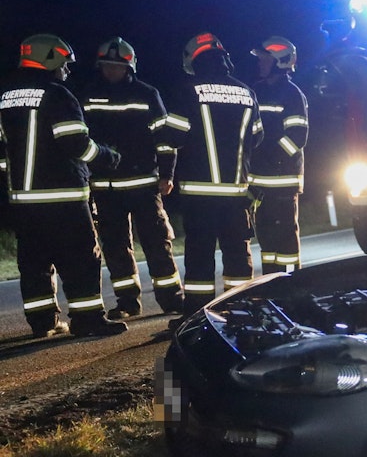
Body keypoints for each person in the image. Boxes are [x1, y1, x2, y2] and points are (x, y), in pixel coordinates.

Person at [0, 34, 127, 337]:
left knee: (34, 263)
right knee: (82, 257)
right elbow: (75, 143)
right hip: (63, 198)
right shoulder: (57, 95)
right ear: (50, 60)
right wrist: (107, 156)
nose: (67, 71)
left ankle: (43, 322)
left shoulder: (5, 96)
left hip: (22, 200)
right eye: (65, 64)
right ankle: (88, 320)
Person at [79, 37, 185, 318]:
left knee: (157, 243)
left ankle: (172, 298)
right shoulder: (88, 95)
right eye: (106, 66)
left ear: (129, 67)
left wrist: (167, 174)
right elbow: (81, 140)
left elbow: (164, 139)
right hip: (105, 186)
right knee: (115, 247)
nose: (111, 71)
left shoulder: (147, 93)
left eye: (117, 66)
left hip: (144, 184)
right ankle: (127, 302)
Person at [167, 32, 262, 320]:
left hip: (199, 195)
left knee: (199, 257)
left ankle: (198, 316)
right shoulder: (246, 92)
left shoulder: (187, 91)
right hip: (236, 193)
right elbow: (256, 138)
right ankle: (242, 311)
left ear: (194, 61)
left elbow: (174, 135)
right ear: (224, 59)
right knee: (237, 253)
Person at [248, 36, 308, 274]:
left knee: (285, 241)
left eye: (265, 59)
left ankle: (292, 286)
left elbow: (297, 137)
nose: (260, 63)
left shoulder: (293, 95)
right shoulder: (256, 91)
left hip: (283, 182)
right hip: (260, 183)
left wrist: (269, 159)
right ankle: (271, 284)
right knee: (266, 240)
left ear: (280, 62)